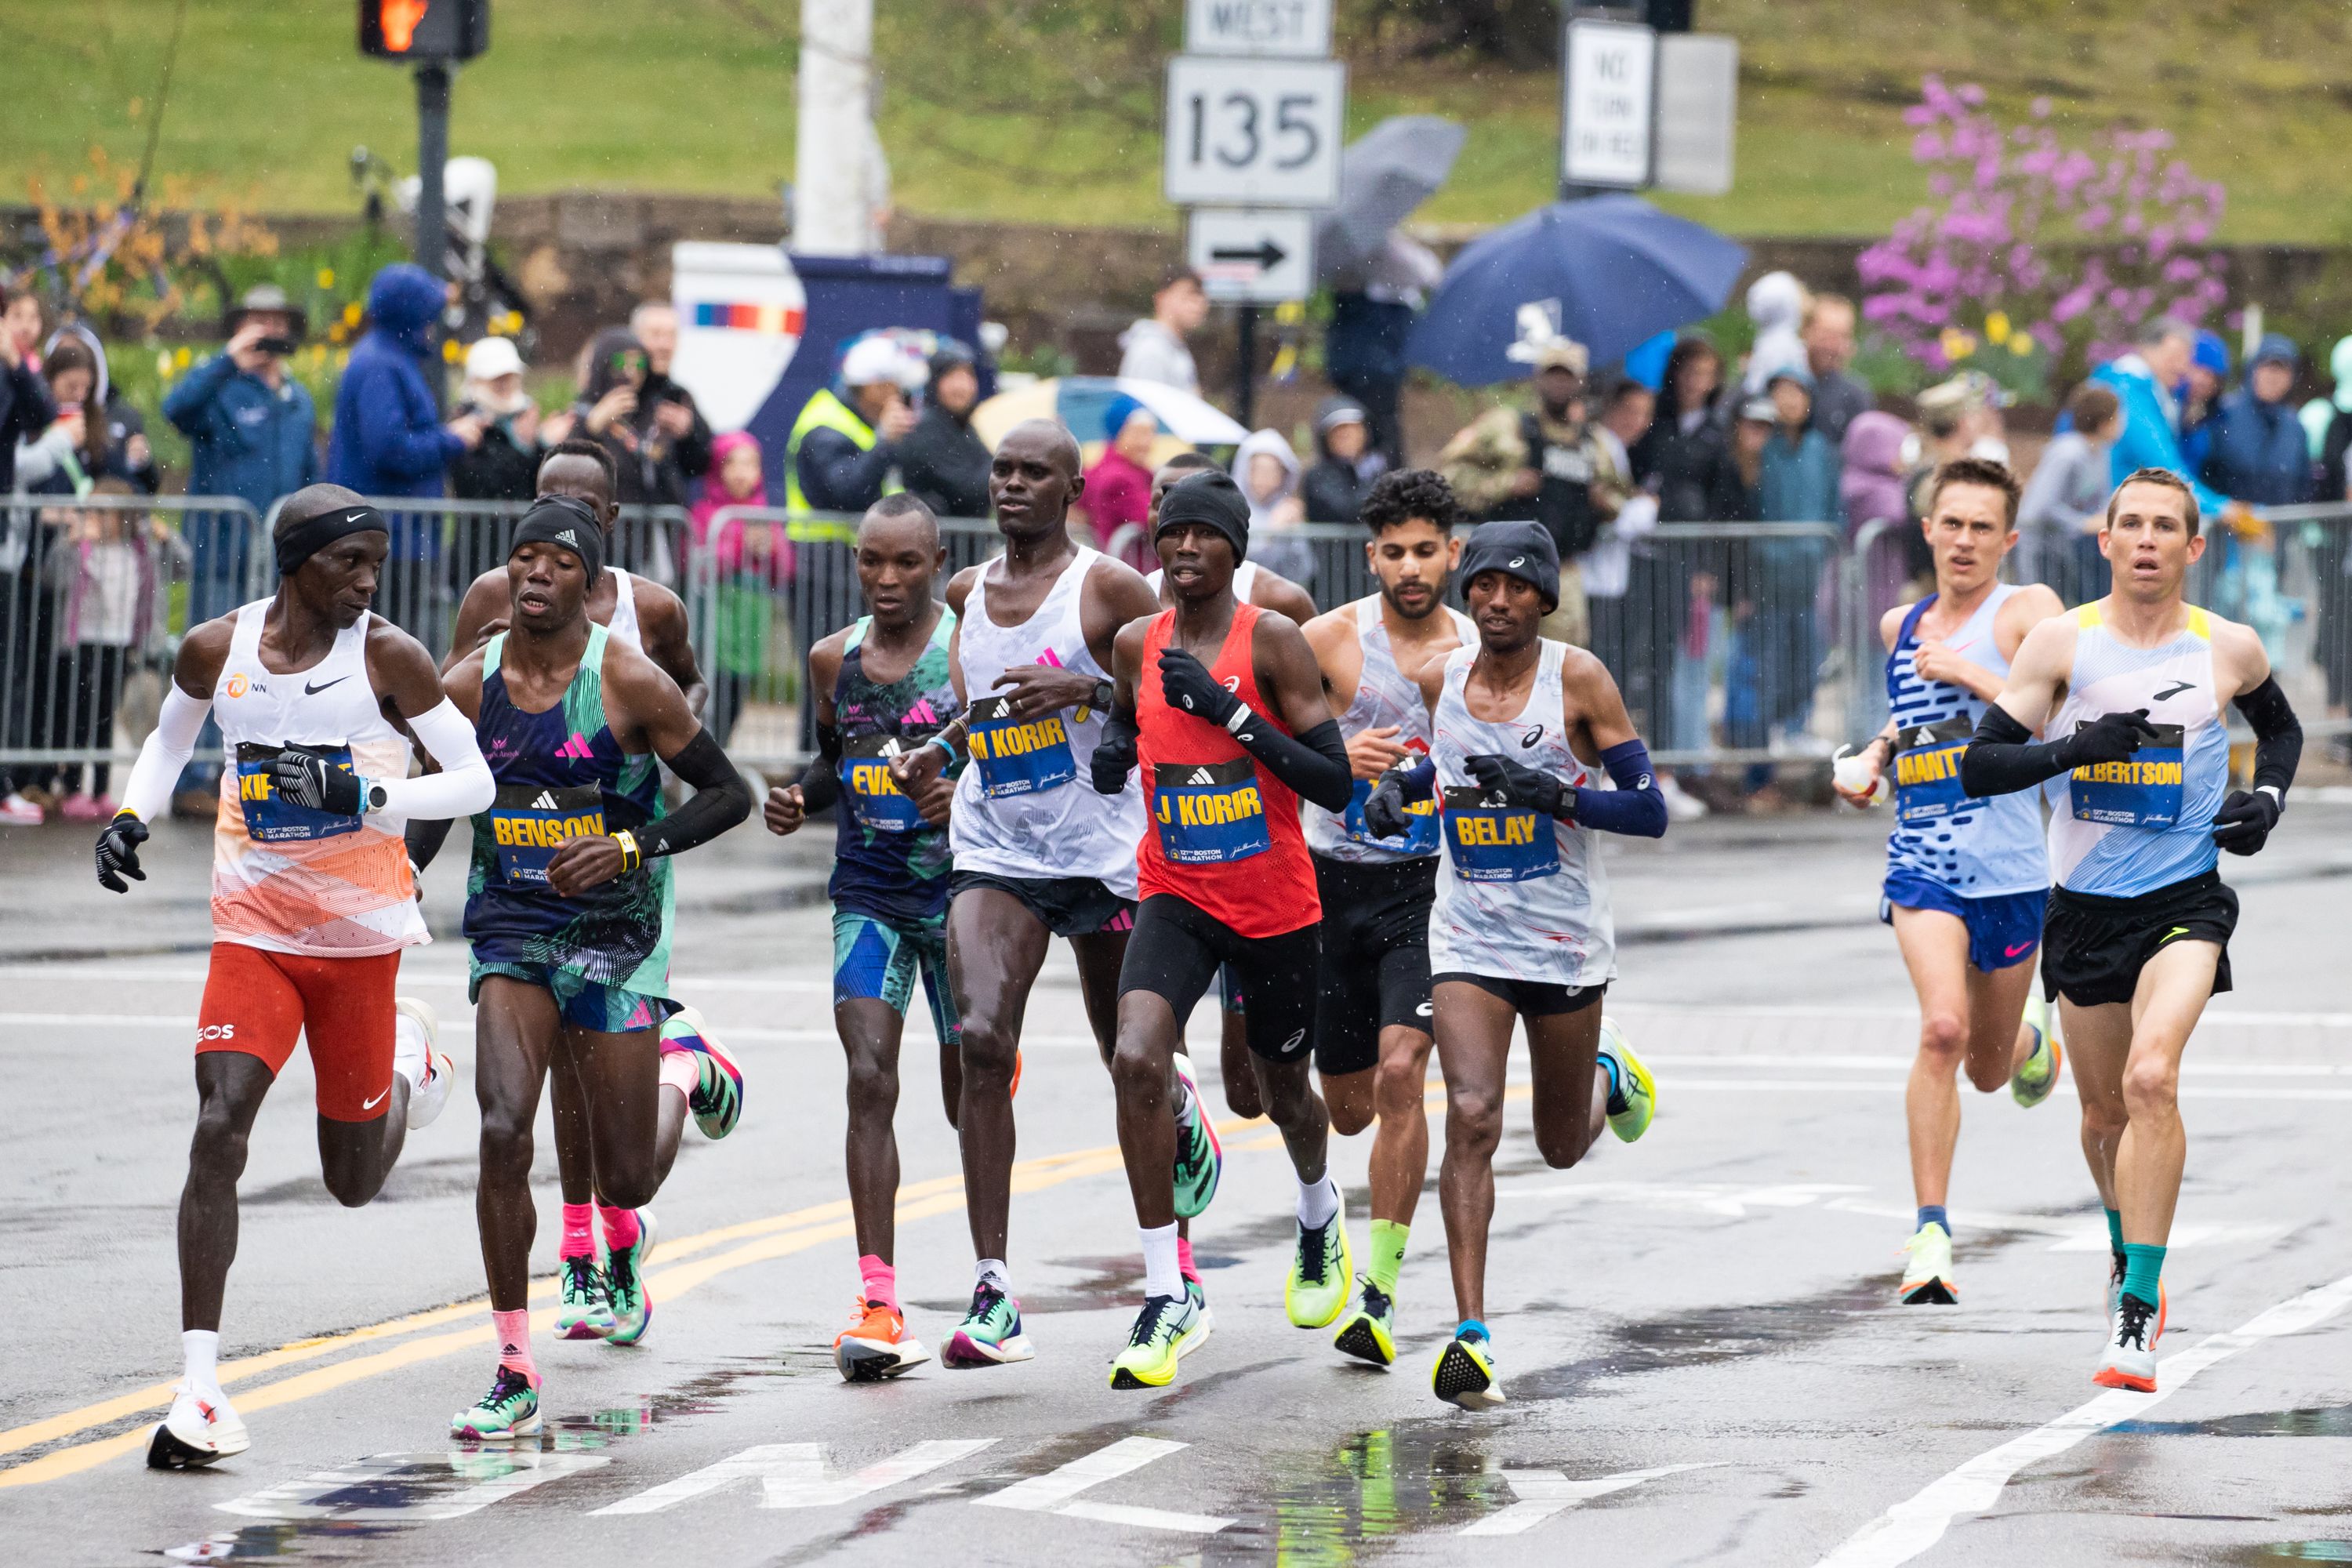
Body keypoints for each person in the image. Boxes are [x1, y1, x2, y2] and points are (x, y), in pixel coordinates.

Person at [91, 485, 492, 1466]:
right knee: (218, 1121)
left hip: (359, 943)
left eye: (376, 564)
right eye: (348, 562)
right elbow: (170, 740)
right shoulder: (214, 647)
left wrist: (371, 792)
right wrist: (130, 816)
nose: (367, 581)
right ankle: (200, 1388)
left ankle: (408, 1060)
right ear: (296, 561)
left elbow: (474, 778)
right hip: (253, 928)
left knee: (351, 1180)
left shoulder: (387, 656)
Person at [413, 498, 751, 1439]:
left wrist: (633, 845)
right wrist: (403, 877)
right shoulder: (470, 683)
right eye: (521, 559)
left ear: (591, 582)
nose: (533, 576)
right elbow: (442, 794)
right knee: (503, 1126)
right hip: (512, 928)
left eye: (555, 562)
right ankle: (513, 1362)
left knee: (628, 1178)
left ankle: (689, 1064)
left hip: (616, 933)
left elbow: (731, 794)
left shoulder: (629, 680)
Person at [1960, 467, 2303, 1393]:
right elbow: (1982, 765)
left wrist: (2266, 798)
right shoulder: (2061, 641)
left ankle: (2140, 1311)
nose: (2146, 539)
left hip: (2184, 903)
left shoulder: (2225, 646)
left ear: (2194, 548)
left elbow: (2282, 731)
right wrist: (2074, 746)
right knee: (2104, 1110)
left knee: (2154, 1077)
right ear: (2106, 541)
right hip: (2081, 910)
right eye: (2131, 525)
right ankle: (2124, 1248)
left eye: (2165, 527)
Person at [884, 419, 1171, 1370]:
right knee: (982, 1039)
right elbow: (985, 707)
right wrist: (942, 747)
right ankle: (995, 1287)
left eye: (1033, 472)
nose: (1011, 484)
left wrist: (1085, 699)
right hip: (997, 843)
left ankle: (1172, 1257)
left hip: (1103, 852)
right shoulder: (967, 590)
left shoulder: (1110, 588)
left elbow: (1166, 699)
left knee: (1127, 1058)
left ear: (1072, 488)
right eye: (1002, 470)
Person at [1361, 520, 1662, 1409]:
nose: (1496, 600)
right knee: (1473, 1112)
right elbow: (1439, 768)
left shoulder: (1579, 680)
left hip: (1564, 938)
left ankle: (1611, 1075)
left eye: (1517, 586)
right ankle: (1471, 1331)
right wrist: (1395, 790)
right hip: (1469, 936)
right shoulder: (1438, 676)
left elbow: (1649, 809)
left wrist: (1560, 794)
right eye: (1484, 584)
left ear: (1543, 598)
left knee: (1564, 1144)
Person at [1091, 468, 1356, 1388]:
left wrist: (1231, 710)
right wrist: (1115, 751)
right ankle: (1167, 1291)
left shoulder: (1272, 639)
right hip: (1176, 891)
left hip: (1276, 905)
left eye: (1206, 534)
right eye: (1173, 533)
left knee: (1279, 1092)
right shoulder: (1136, 642)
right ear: (1156, 545)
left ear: (1235, 549)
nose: (1186, 548)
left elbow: (1333, 780)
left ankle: (1320, 1211)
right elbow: (1129, 723)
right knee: (1136, 1056)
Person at [1831, 458, 2067, 1305]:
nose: (1963, 540)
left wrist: (1968, 671)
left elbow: (2052, 719)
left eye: (1981, 527)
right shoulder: (1902, 621)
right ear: (1926, 529)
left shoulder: (2028, 612)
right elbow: (1910, 718)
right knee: (1941, 1029)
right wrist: (1870, 757)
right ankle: (1930, 1229)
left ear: (2006, 539)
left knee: (1990, 1069)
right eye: (1950, 523)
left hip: (2010, 869)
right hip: (1923, 854)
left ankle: (2033, 1042)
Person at [763, 495, 964, 1381]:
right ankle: (879, 1298)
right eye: (871, 563)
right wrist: (801, 795)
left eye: (906, 564)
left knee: (973, 1092)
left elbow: (1020, 760)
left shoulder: (967, 652)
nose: (886, 580)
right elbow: (833, 760)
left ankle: (991, 1283)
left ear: (938, 560)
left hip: (965, 894)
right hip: (870, 894)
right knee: (869, 1077)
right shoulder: (832, 660)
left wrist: (966, 796)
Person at [1297, 468, 1473, 1368]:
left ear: (1454, 551)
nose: (1411, 567)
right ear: (1373, 556)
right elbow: (1273, 745)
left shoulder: (1480, 649)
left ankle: (1378, 1294)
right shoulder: (1328, 640)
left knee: (1406, 1074)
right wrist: (1337, 751)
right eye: (1394, 552)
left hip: (1428, 889)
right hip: (1329, 884)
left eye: (1426, 550)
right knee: (1352, 1108)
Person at [162, 285, 321, 736]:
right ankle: (196, 771)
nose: (270, 330)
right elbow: (174, 409)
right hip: (220, 550)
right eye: (258, 320)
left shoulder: (298, 399)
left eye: (278, 321)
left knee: (268, 665)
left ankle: (253, 767)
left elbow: (309, 477)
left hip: (279, 560)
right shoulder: (219, 389)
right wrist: (227, 360)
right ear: (238, 328)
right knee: (211, 658)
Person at [1438, 339, 1622, 648]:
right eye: (1553, 374)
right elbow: (1448, 476)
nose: (1560, 384)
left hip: (1564, 573)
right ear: (1538, 377)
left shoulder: (1595, 443)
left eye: (1568, 376)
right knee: (1489, 661)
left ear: (1581, 381)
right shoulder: (1505, 427)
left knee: (1562, 671)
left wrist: (1604, 502)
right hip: (1502, 572)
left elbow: (1624, 497)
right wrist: (1506, 484)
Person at [42, 477, 190, 818]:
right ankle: (73, 787)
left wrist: (166, 535)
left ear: (122, 516)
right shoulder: (81, 547)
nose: (96, 519)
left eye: (104, 513)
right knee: (78, 714)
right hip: (83, 639)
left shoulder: (140, 551)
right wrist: (70, 545)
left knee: (105, 715)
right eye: (91, 511)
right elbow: (53, 580)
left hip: (121, 641)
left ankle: (101, 789)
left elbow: (182, 567)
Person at [325, 264, 485, 527]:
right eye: (431, 315)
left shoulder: (390, 358)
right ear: (413, 317)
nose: (435, 323)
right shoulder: (381, 365)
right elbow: (390, 449)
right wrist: (452, 440)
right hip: (387, 535)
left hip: (392, 531)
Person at [691, 430, 786, 746]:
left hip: (751, 617)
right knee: (711, 686)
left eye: (751, 463)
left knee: (739, 689)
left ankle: (717, 751)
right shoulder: (706, 511)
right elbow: (698, 561)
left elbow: (784, 567)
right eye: (734, 463)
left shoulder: (763, 511)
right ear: (719, 468)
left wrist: (770, 549)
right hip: (716, 614)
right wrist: (739, 547)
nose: (743, 472)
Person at [0, 299, 56, 824]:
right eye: (15, 317)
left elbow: (41, 413)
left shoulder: (14, 371)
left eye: (32, 319)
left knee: (6, 666)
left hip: (6, 545)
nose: (26, 328)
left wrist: (15, 364)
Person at [2089, 318, 2229, 519]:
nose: (2182, 368)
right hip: (2113, 516)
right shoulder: (2131, 392)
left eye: (2187, 359)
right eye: (2175, 356)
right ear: (2147, 349)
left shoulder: (2142, 391)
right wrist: (2221, 509)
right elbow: (2162, 466)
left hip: (2113, 512)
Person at [2020, 383, 2124, 604]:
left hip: (2064, 551)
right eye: (2118, 416)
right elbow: (2037, 508)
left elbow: (2100, 500)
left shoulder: (2101, 453)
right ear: (2105, 422)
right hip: (2038, 551)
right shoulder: (2067, 453)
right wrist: (2082, 523)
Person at [2205, 334, 2310, 508]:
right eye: (2268, 368)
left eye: (2282, 370)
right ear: (2253, 370)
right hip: (2225, 530)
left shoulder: (2295, 427)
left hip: (2280, 530)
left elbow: (2302, 486)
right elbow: (2205, 472)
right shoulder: (2223, 414)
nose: (2274, 377)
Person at [897, 342, 993, 522]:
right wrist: (1000, 463)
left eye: (968, 376)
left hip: (964, 545)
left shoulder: (965, 426)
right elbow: (968, 491)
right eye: (952, 377)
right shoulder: (926, 428)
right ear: (935, 382)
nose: (961, 386)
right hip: (937, 544)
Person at [449, 336, 544, 505]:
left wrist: (541, 445)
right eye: (497, 379)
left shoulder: (524, 415)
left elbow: (539, 485)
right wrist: (522, 448)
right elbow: (479, 486)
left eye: (510, 377)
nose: (505, 384)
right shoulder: (465, 423)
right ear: (475, 381)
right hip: (479, 529)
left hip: (521, 527)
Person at [1080, 395, 1160, 568]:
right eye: (1139, 433)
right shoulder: (1119, 477)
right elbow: (1156, 519)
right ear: (1117, 434)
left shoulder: (1097, 470)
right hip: (1132, 571)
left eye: (1151, 432)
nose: (1147, 442)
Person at [1232, 427, 1313, 588]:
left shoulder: (1287, 510)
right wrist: (1272, 533)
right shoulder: (1232, 508)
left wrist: (1293, 528)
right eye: (1258, 469)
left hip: (1279, 598)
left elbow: (1304, 569)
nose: (1264, 477)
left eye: (1272, 470)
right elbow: (1237, 564)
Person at [1117, 267, 1208, 395]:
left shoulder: (1175, 348)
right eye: (1190, 294)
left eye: (1201, 296)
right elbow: (1143, 410)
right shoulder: (1151, 350)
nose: (1200, 303)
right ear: (1162, 299)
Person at [1802, 293, 1873, 445]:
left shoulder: (1855, 396)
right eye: (1826, 334)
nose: (1832, 345)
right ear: (1806, 331)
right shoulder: (1785, 384)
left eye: (1842, 336)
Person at [1301, 398, 1383, 524]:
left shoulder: (1379, 467)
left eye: (1353, 430)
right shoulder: (1318, 476)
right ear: (1326, 439)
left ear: (1366, 433)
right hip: (1333, 544)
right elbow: (1349, 512)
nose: (1346, 437)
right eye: (1339, 433)